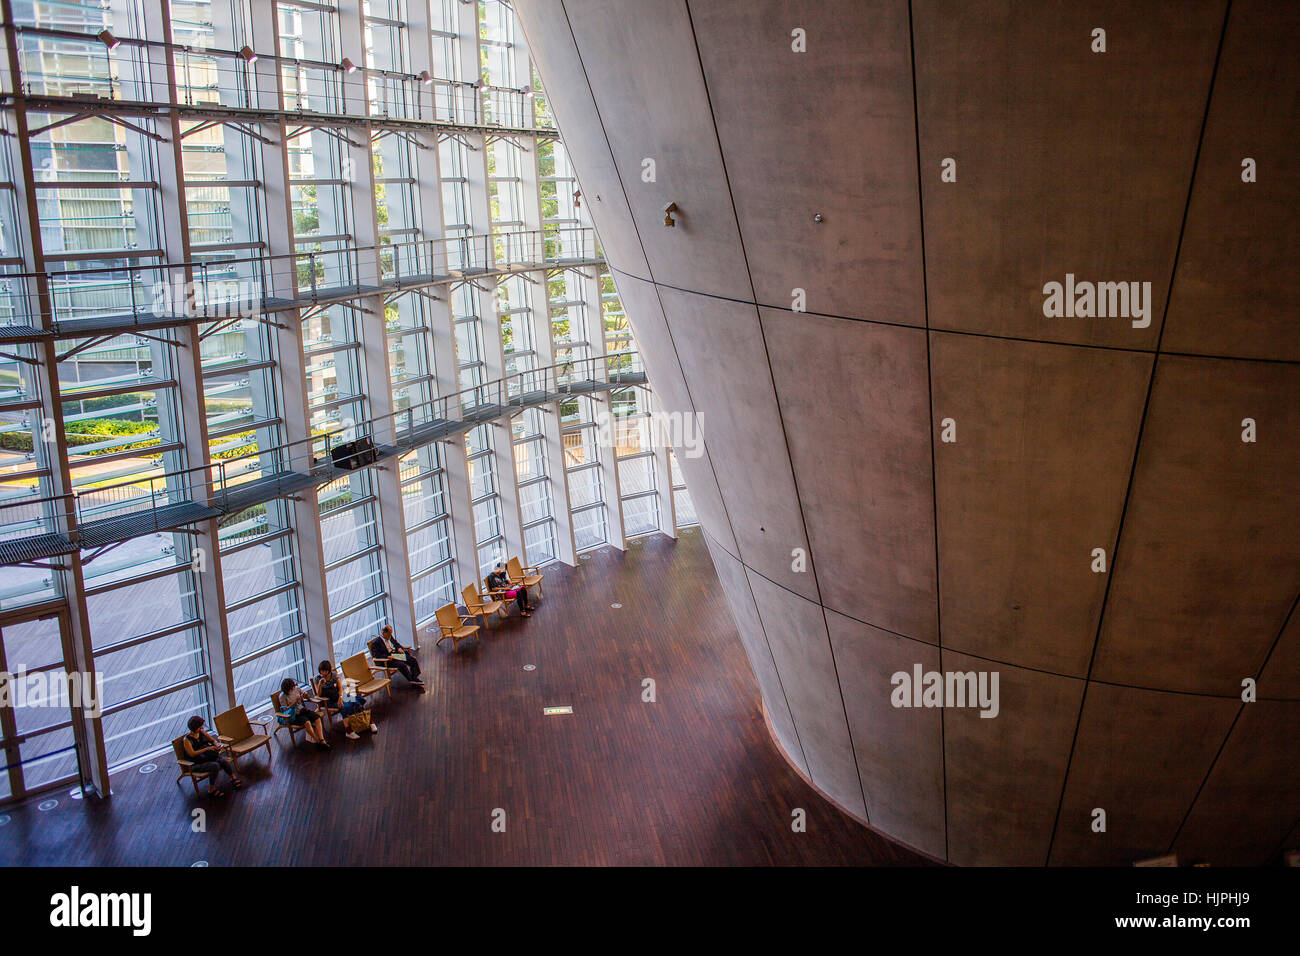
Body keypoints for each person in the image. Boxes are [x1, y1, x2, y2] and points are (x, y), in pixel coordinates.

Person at [314, 660, 377, 740]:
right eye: (321, 671)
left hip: (339, 696)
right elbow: (318, 694)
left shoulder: (333, 675)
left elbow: (340, 688)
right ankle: (349, 731)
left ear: (329, 671)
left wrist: (340, 697)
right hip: (329, 701)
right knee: (345, 706)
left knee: (355, 701)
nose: (323, 673)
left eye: (325, 671)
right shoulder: (318, 678)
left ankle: (369, 722)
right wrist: (320, 685)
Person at [181, 715, 241, 796]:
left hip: (205, 758)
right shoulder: (187, 740)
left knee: (222, 760)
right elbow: (192, 754)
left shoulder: (201, 732)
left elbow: (212, 740)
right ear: (195, 727)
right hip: (195, 763)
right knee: (214, 766)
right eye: (199, 726)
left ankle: (233, 777)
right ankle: (211, 789)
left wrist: (217, 745)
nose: (201, 727)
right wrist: (207, 749)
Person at [279, 677, 331, 749]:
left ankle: (322, 740)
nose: (292, 690)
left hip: (302, 710)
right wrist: (295, 702)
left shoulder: (296, 689)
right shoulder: (282, 696)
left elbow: (307, 697)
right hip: (294, 714)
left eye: (293, 688)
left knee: (317, 718)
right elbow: (285, 710)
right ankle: (318, 741)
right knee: (307, 722)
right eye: (290, 689)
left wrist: (306, 695)